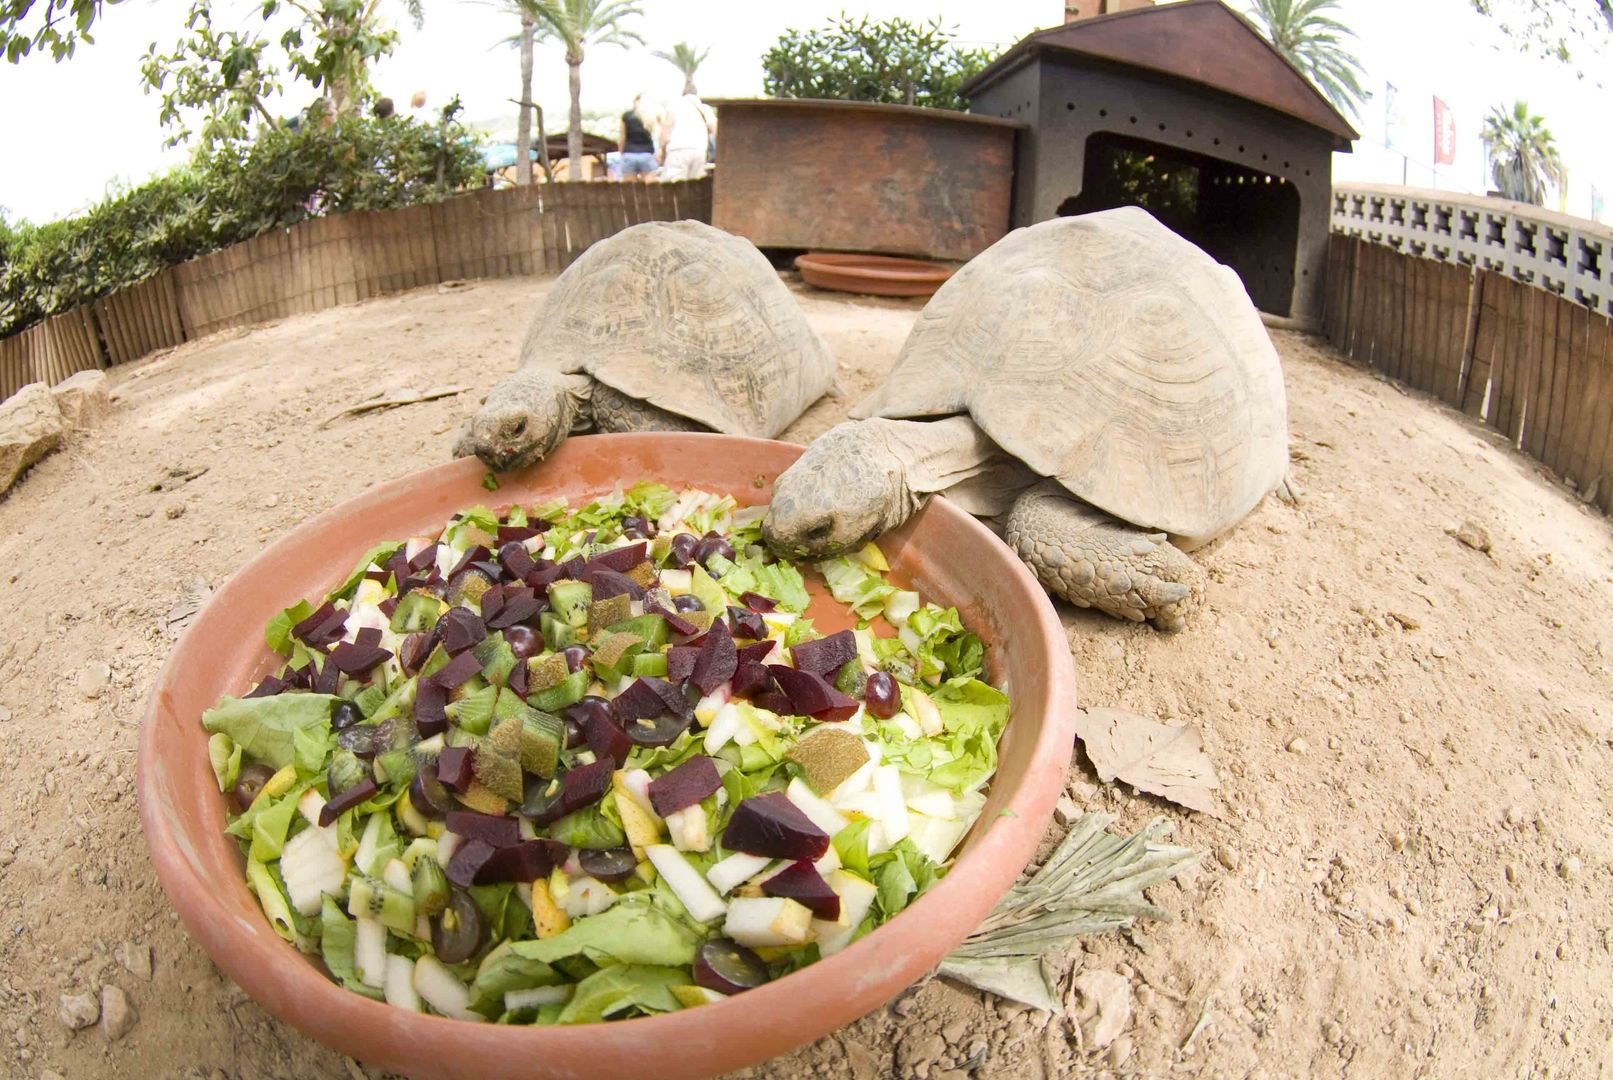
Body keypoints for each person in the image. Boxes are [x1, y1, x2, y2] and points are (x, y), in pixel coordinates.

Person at [658, 86, 711, 181]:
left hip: (678, 149)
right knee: (695, 184)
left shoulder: (674, 105)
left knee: (674, 184)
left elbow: (666, 129)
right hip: (699, 149)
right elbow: (714, 127)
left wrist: (661, 149)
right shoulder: (704, 108)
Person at [618, 94, 658, 181]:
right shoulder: (651, 117)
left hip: (629, 154)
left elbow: (622, 138)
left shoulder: (626, 116)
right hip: (647, 154)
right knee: (650, 191)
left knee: (630, 190)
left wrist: (621, 152)